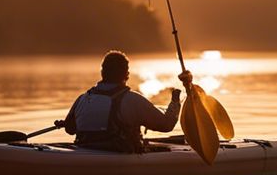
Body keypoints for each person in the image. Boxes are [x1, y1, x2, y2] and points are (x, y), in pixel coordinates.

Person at [64, 50, 193, 152]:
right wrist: (175, 100)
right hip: (118, 155)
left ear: (102, 72)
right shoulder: (132, 100)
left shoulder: (82, 99)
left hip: (84, 151)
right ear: (126, 75)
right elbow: (167, 125)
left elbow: (70, 129)